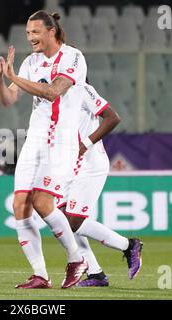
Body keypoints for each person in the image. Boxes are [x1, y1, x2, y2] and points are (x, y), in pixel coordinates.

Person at [0, 10, 88, 289]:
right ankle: (40, 274)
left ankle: (76, 259)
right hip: (35, 141)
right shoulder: (31, 61)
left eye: (35, 32)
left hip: (62, 142)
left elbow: (53, 91)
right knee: (20, 204)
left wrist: (14, 77)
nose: (31, 38)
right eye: (28, 33)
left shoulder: (73, 57)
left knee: (42, 202)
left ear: (51, 31)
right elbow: (8, 101)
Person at [58, 82, 143, 287]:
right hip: (69, 166)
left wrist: (84, 145)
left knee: (73, 222)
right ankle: (95, 273)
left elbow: (113, 118)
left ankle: (129, 245)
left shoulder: (82, 89)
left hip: (89, 164)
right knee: (61, 219)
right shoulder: (56, 94)